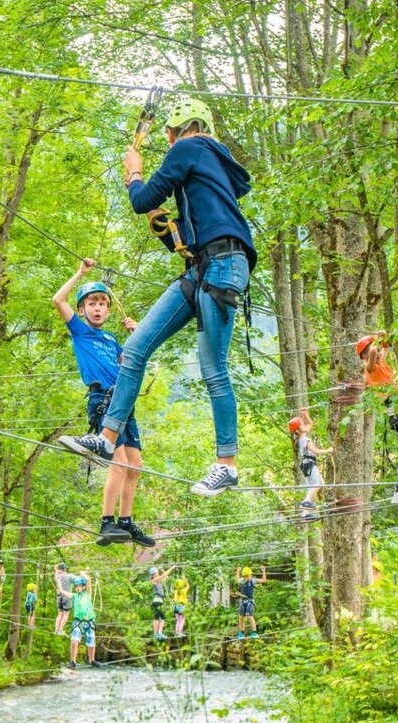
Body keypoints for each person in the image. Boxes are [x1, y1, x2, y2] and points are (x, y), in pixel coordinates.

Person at [57, 98, 255, 498]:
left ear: (178, 130)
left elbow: (141, 200)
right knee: (134, 348)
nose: (167, 142)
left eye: (168, 135)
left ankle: (227, 465)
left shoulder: (190, 147)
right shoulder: (207, 165)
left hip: (221, 264)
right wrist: (170, 230)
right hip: (202, 265)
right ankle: (107, 437)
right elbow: (188, 228)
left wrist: (134, 173)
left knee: (214, 368)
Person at [54, 259, 156, 548]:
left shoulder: (111, 339)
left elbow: (131, 363)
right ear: (83, 310)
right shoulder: (80, 331)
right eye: (91, 303)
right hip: (104, 400)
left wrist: (137, 336)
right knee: (119, 463)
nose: (97, 308)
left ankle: (125, 522)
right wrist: (80, 273)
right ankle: (105, 522)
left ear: (108, 310)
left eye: (102, 303)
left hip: (124, 401)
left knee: (135, 466)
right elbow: (57, 300)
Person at [357, 332, 398, 504]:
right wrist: (376, 339)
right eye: (368, 352)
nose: (374, 354)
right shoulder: (369, 369)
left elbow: (384, 347)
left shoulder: (381, 362)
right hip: (393, 408)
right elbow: (375, 352)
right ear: (364, 356)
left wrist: (383, 336)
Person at [289, 408, 334, 521]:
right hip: (309, 463)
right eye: (302, 424)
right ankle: (305, 502)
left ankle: (305, 514)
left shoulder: (301, 437)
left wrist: (304, 414)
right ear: (299, 429)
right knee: (318, 484)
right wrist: (328, 450)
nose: (304, 425)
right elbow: (316, 451)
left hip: (305, 465)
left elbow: (310, 423)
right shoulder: (304, 439)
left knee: (311, 488)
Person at [60, 574, 100, 669]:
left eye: (79, 586)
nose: (77, 588)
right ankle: (73, 661)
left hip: (89, 621)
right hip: (78, 622)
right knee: (74, 641)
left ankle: (92, 660)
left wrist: (82, 573)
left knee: (91, 642)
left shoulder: (88, 595)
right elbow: (61, 591)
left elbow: (89, 580)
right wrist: (58, 580)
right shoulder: (74, 596)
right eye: (76, 586)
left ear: (83, 587)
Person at [235, 565, 266, 639]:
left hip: (250, 601)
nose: (248, 577)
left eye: (249, 576)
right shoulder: (242, 580)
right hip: (242, 601)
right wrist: (238, 571)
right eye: (247, 576)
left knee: (249, 616)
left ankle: (254, 632)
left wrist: (263, 571)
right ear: (244, 576)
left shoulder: (253, 580)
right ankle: (241, 633)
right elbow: (237, 579)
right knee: (241, 617)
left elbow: (263, 580)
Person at [149, 565, 175, 641]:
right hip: (157, 601)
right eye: (157, 572)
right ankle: (158, 633)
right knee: (163, 617)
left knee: (157, 618)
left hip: (159, 601)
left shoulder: (158, 580)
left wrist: (162, 569)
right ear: (154, 574)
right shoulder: (154, 580)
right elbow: (163, 575)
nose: (158, 573)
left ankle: (157, 634)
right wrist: (171, 568)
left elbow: (166, 577)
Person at [54, 563, 73, 636]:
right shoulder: (69, 576)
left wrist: (56, 569)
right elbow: (78, 579)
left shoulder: (57, 576)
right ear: (65, 569)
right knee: (66, 614)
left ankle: (56, 630)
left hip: (59, 597)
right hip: (66, 597)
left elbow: (56, 571)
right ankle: (60, 630)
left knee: (60, 614)